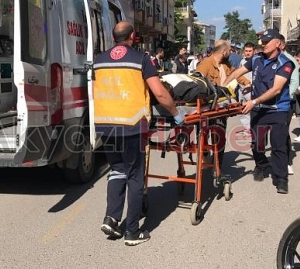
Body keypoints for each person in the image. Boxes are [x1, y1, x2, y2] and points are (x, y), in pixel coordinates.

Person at [94, 21, 182, 246]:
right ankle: (132, 231)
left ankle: (112, 219)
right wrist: (176, 114)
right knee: (134, 176)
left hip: (105, 123)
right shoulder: (142, 59)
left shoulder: (99, 60)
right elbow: (160, 93)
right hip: (131, 125)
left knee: (116, 171)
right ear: (133, 36)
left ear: (113, 38)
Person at [222, 29, 294, 194]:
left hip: (277, 110)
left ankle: (281, 178)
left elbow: (276, 90)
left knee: (278, 145)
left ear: (277, 43)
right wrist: (223, 86)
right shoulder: (256, 59)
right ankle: (261, 165)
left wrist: (253, 101)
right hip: (259, 110)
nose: (263, 44)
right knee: (257, 143)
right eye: (262, 41)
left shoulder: (285, 63)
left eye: (267, 41)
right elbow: (238, 72)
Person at [195, 40, 251, 168]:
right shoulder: (206, 64)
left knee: (219, 136)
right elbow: (197, 82)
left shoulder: (226, 64)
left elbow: (237, 75)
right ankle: (204, 156)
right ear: (224, 51)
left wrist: (247, 83)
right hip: (206, 108)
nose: (231, 53)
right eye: (230, 50)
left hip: (220, 108)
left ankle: (217, 164)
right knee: (203, 135)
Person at [276, 35, 300, 176]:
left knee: (283, 132)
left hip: (285, 103)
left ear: (282, 45)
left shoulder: (290, 61)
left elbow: (294, 83)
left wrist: (284, 97)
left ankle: (287, 162)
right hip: (270, 103)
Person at [237, 42, 255, 139]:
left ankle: (254, 129)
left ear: (254, 51)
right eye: (246, 51)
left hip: (252, 90)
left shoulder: (256, 61)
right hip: (242, 90)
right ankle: (246, 130)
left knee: (252, 111)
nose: (248, 53)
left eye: (250, 51)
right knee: (243, 111)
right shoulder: (242, 61)